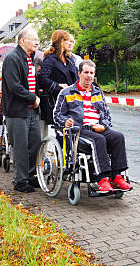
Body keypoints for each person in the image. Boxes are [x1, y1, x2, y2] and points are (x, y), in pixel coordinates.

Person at [53, 59, 132, 193]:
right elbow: (57, 116)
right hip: (79, 130)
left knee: (118, 137)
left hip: (98, 128)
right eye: (86, 72)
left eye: (91, 72)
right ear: (79, 73)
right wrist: (65, 121)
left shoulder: (97, 92)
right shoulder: (67, 93)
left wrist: (103, 126)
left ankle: (117, 176)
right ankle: (101, 179)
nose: (89, 75)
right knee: (99, 140)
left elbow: (107, 115)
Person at [1, 27, 41, 193]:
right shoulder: (13, 58)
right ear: (22, 40)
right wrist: (33, 98)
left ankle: (30, 176)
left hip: (32, 110)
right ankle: (20, 181)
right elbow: (14, 86)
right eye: (34, 39)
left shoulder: (29, 58)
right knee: (21, 147)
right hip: (17, 111)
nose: (37, 42)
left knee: (34, 144)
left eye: (37, 39)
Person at [39, 30, 78, 126]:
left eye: (71, 41)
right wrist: (58, 86)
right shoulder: (50, 59)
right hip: (56, 103)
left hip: (71, 101)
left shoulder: (70, 60)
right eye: (66, 40)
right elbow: (42, 79)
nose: (69, 43)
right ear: (60, 41)